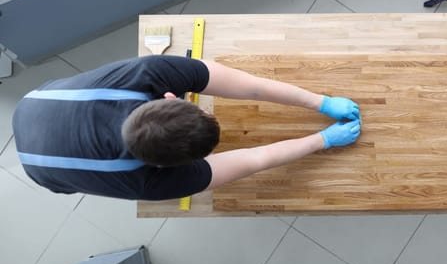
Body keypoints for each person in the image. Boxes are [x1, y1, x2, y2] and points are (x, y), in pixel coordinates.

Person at [11, 55, 361, 200]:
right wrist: (322, 140)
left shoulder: (146, 71)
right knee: (73, 181)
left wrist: (320, 101)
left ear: (168, 95)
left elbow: (252, 86)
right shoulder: (147, 183)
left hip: (35, 103)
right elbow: (255, 160)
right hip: (44, 170)